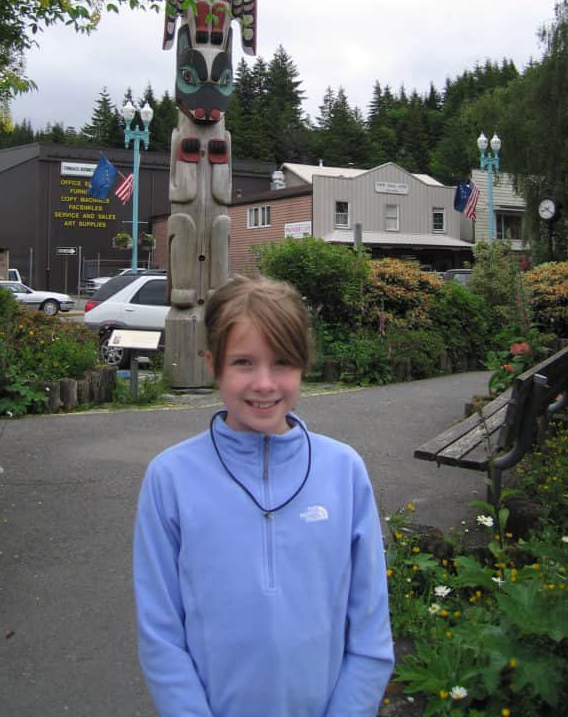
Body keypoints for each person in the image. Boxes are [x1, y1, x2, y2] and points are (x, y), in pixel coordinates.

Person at [133, 275, 394, 717]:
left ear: (304, 365)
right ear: (212, 364)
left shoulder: (343, 470)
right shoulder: (170, 478)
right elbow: (160, 632)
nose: (265, 383)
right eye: (243, 363)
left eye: (283, 363)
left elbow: (370, 628)